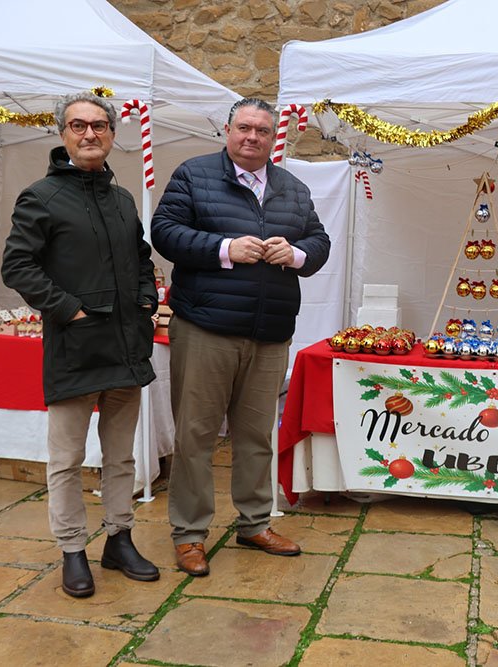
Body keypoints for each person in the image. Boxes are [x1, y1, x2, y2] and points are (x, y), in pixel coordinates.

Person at [151, 98, 330, 576]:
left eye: (262, 131)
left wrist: (293, 254)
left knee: (256, 436)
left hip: (270, 333)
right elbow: (164, 233)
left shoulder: (292, 188)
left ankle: (253, 523)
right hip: (206, 328)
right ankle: (189, 534)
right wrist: (225, 248)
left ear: (274, 139)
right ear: (227, 131)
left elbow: (319, 244)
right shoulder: (194, 174)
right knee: (196, 434)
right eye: (244, 128)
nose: (252, 137)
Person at [2, 91, 160, 598]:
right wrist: (68, 308)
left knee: (121, 458)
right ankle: (73, 549)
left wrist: (144, 298)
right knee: (67, 459)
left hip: (126, 348)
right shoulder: (41, 197)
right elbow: (18, 266)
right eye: (78, 126)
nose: (89, 134)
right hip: (73, 348)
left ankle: (119, 539)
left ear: (113, 134)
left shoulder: (122, 199)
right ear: (63, 134)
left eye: (99, 125)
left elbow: (140, 256)